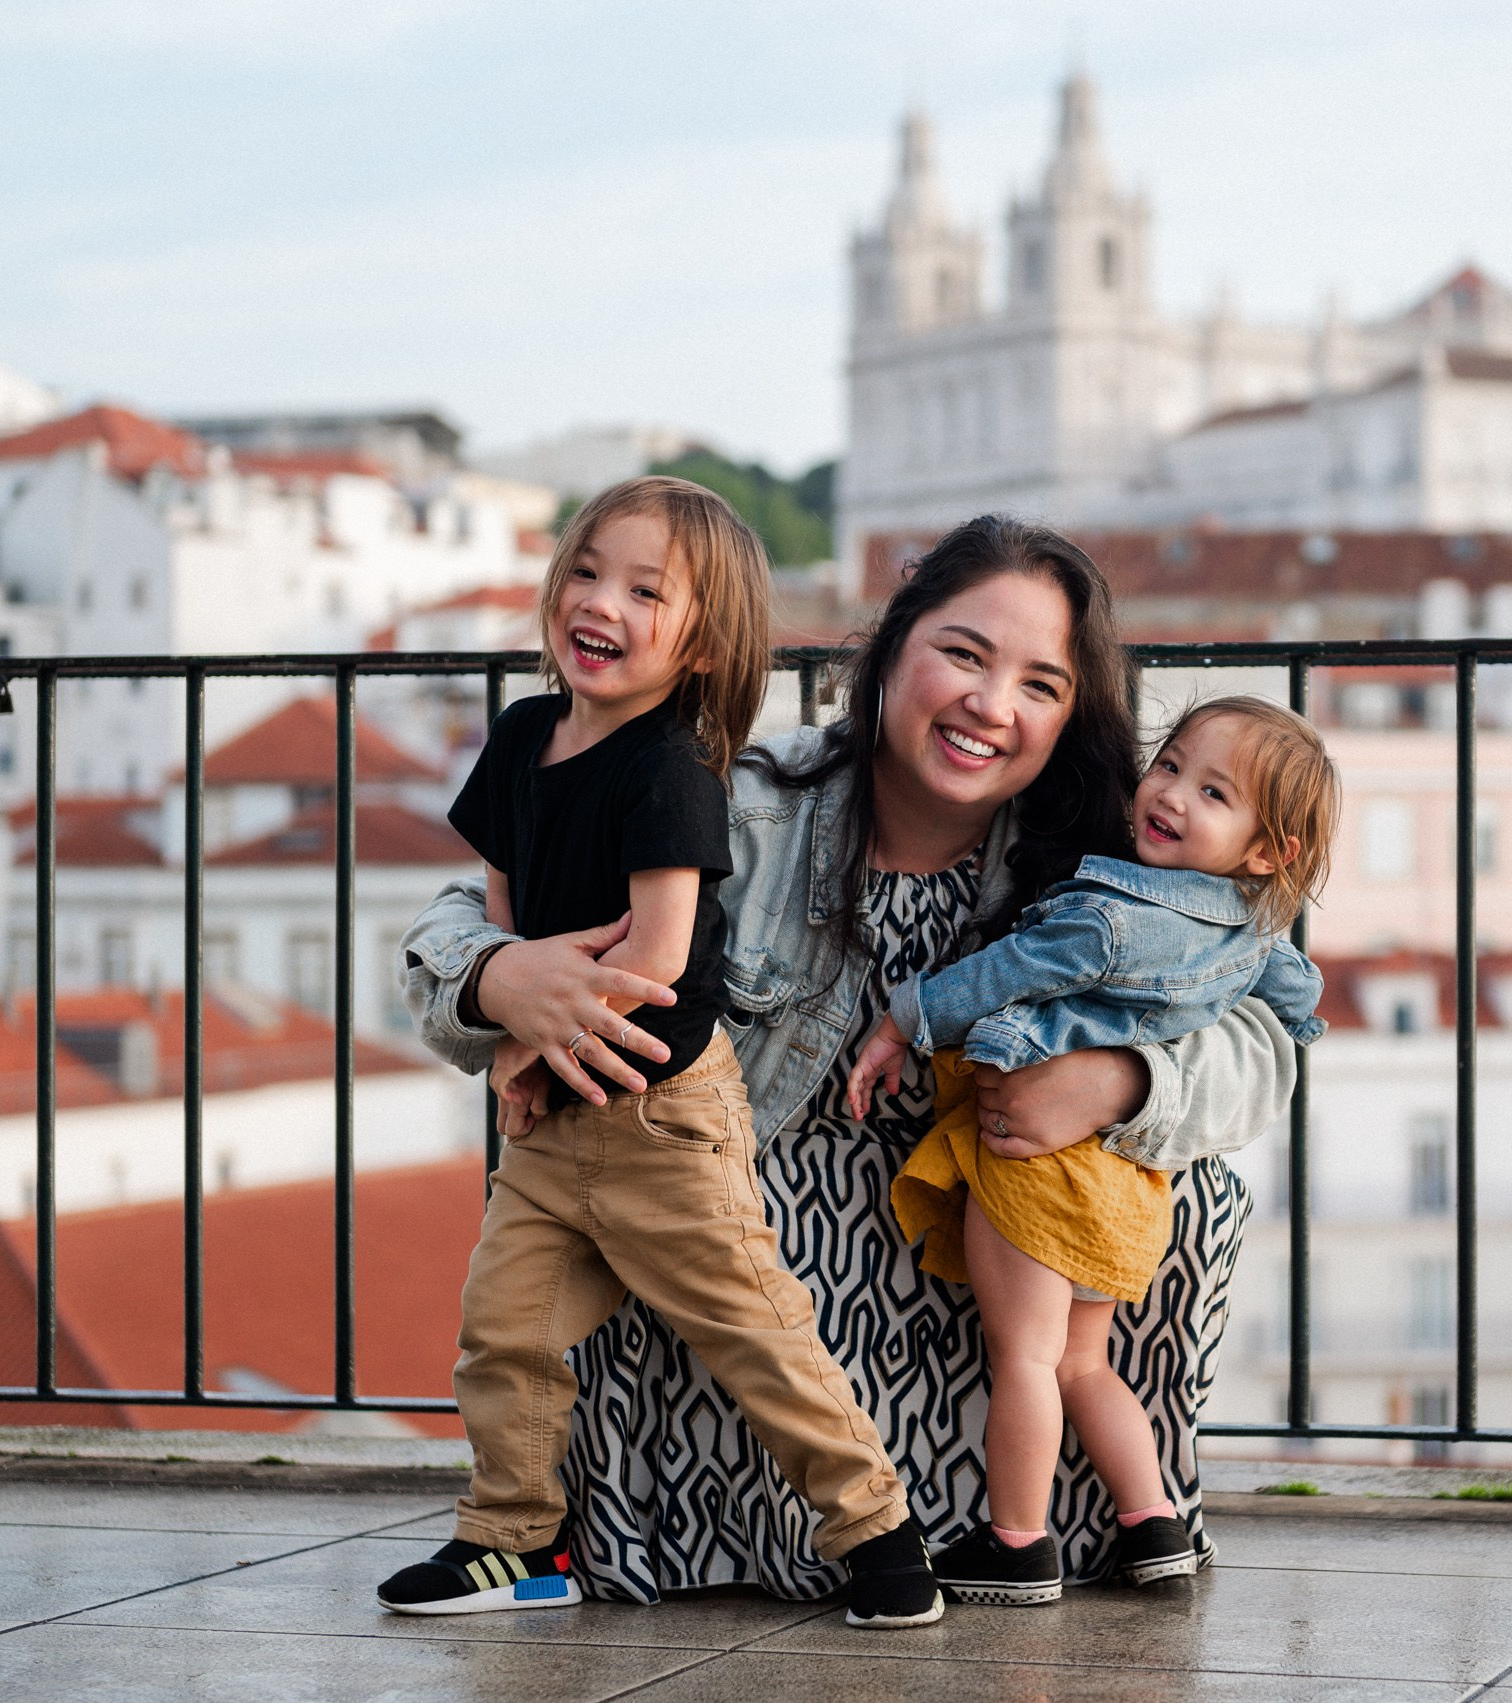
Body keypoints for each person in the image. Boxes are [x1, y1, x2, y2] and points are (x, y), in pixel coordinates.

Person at [398, 515, 1300, 1605]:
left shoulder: (1128, 859)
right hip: (759, 1196)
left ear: (1071, 714)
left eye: (1039, 684)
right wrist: (497, 978)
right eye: (962, 655)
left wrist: (1122, 1080)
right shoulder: (748, 799)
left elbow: (1266, 1041)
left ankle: (1074, 1518)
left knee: (1183, 1197)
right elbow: (455, 923)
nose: (990, 706)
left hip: (988, 1226)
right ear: (892, 650)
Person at [375, 476, 943, 1629]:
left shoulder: (671, 766)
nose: (601, 602)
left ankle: (877, 1529)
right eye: (586, 571)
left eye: (645, 590)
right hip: (552, 1119)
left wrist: (537, 1042)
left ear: (700, 643)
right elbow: (500, 909)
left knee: (751, 1323)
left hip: (661, 1112)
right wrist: (512, 1039)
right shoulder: (527, 733)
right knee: (505, 1333)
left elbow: (657, 959)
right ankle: (512, 1537)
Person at [846, 696, 1336, 1605]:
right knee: (1083, 1362)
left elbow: (1009, 969)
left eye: (1213, 791)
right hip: (1130, 1178)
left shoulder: (1108, 911)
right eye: (1171, 766)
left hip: (1040, 1162)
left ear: (1270, 850)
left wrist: (903, 1018)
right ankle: (1152, 1525)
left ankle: (1018, 1543)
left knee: (1024, 1358)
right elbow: (1299, 995)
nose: (1173, 794)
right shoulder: (1252, 931)